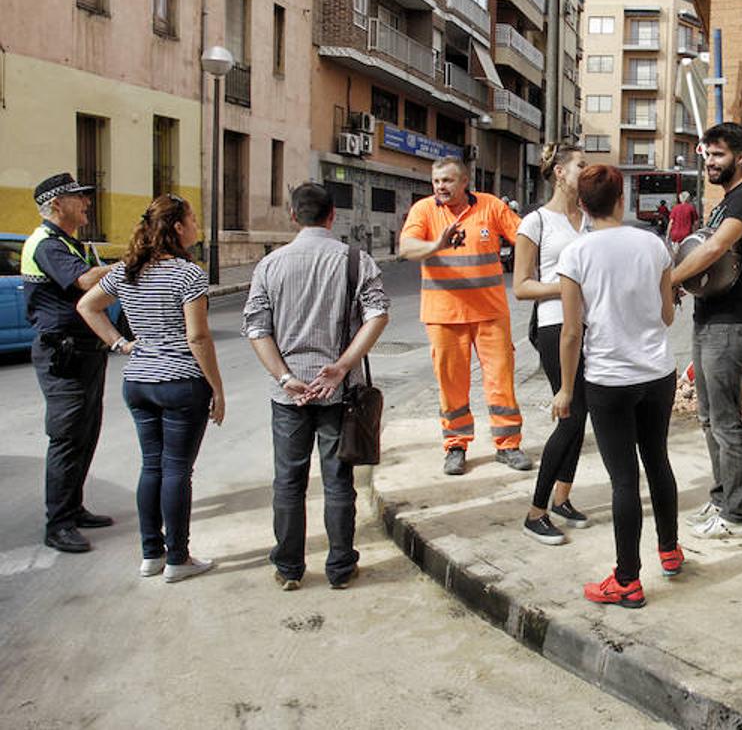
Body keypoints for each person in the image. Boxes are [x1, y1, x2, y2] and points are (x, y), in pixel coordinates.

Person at [243, 183, 390, 590]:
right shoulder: (357, 262)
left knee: (288, 482)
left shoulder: (270, 266)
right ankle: (340, 568)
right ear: (332, 216)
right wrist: (343, 366)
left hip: (287, 396)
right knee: (338, 481)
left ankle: (289, 569)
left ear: (293, 215)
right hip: (339, 394)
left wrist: (286, 378)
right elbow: (378, 315)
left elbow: (256, 328)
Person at [553, 165, 682, 608]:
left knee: (624, 481)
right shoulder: (653, 244)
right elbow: (667, 315)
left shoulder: (576, 254)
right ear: (622, 200)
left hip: (609, 379)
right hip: (658, 374)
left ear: (582, 205)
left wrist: (566, 390)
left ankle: (627, 579)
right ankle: (670, 551)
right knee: (658, 462)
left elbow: (572, 332)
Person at [77, 194, 223, 582]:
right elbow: (199, 338)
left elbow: (87, 306)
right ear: (177, 227)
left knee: (152, 466)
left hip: (139, 380)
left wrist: (121, 344)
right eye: (193, 220)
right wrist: (217, 389)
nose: (197, 227)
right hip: (180, 382)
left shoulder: (127, 269)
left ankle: (151, 554)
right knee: (177, 470)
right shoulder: (188, 274)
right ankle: (178, 558)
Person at [669, 122, 742, 540]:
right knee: (709, 418)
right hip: (709, 316)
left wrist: (670, 280)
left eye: (718, 155)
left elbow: (712, 249)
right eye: (707, 155)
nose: (710, 162)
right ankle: (722, 496)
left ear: (739, 157)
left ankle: (737, 515)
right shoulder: (726, 200)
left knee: (726, 422)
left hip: (730, 322)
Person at [401, 156, 531, 475]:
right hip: (443, 315)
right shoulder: (424, 211)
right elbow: (406, 248)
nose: (440, 187)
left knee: (501, 379)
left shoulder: (490, 207)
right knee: (451, 383)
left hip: (490, 313)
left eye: (447, 181)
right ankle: (456, 446)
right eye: (436, 181)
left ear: (464, 182)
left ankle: (508, 445)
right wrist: (436, 244)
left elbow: (525, 238)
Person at [21, 172, 115, 554]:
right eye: (79, 198)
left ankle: (73, 508)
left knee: (86, 432)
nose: (87, 203)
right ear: (57, 205)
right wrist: (133, 263)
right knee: (66, 437)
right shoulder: (46, 243)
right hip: (63, 354)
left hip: (85, 351)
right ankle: (57, 524)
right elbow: (84, 282)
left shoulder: (69, 242)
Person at [513, 143, 592, 545]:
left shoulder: (591, 219)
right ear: (559, 172)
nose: (587, 170)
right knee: (570, 415)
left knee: (582, 415)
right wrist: (566, 290)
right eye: (581, 164)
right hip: (555, 327)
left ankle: (562, 498)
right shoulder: (536, 222)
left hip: (590, 327)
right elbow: (521, 286)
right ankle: (535, 512)